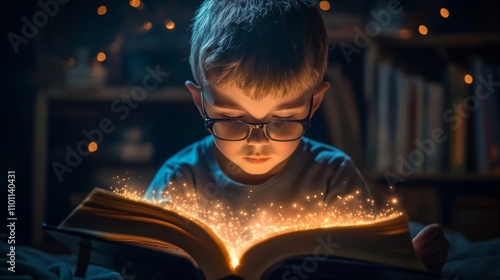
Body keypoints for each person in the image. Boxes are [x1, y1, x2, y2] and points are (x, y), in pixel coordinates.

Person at [145, 0, 449, 274]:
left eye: (282, 120)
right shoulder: (179, 180)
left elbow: (365, 263)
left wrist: (410, 264)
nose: (258, 141)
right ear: (200, 102)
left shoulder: (334, 177)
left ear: (313, 104)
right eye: (232, 119)